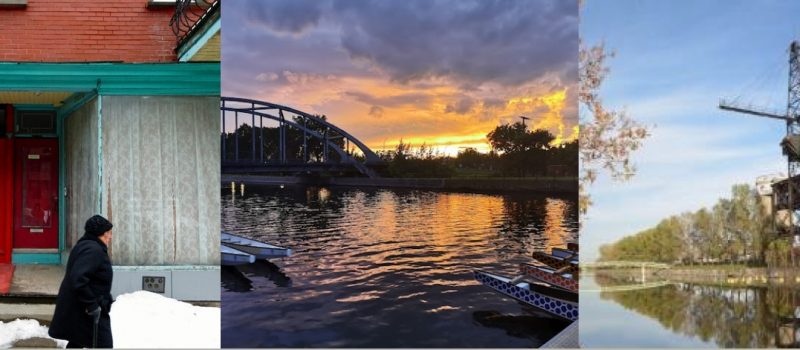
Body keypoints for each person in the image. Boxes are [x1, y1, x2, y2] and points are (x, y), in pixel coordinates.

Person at [49, 215, 114, 348]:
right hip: (87, 309)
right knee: (103, 344)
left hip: (80, 308)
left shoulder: (85, 245)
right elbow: (78, 279)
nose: (110, 237)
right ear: (100, 233)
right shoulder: (93, 250)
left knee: (78, 341)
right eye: (109, 233)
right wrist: (92, 305)